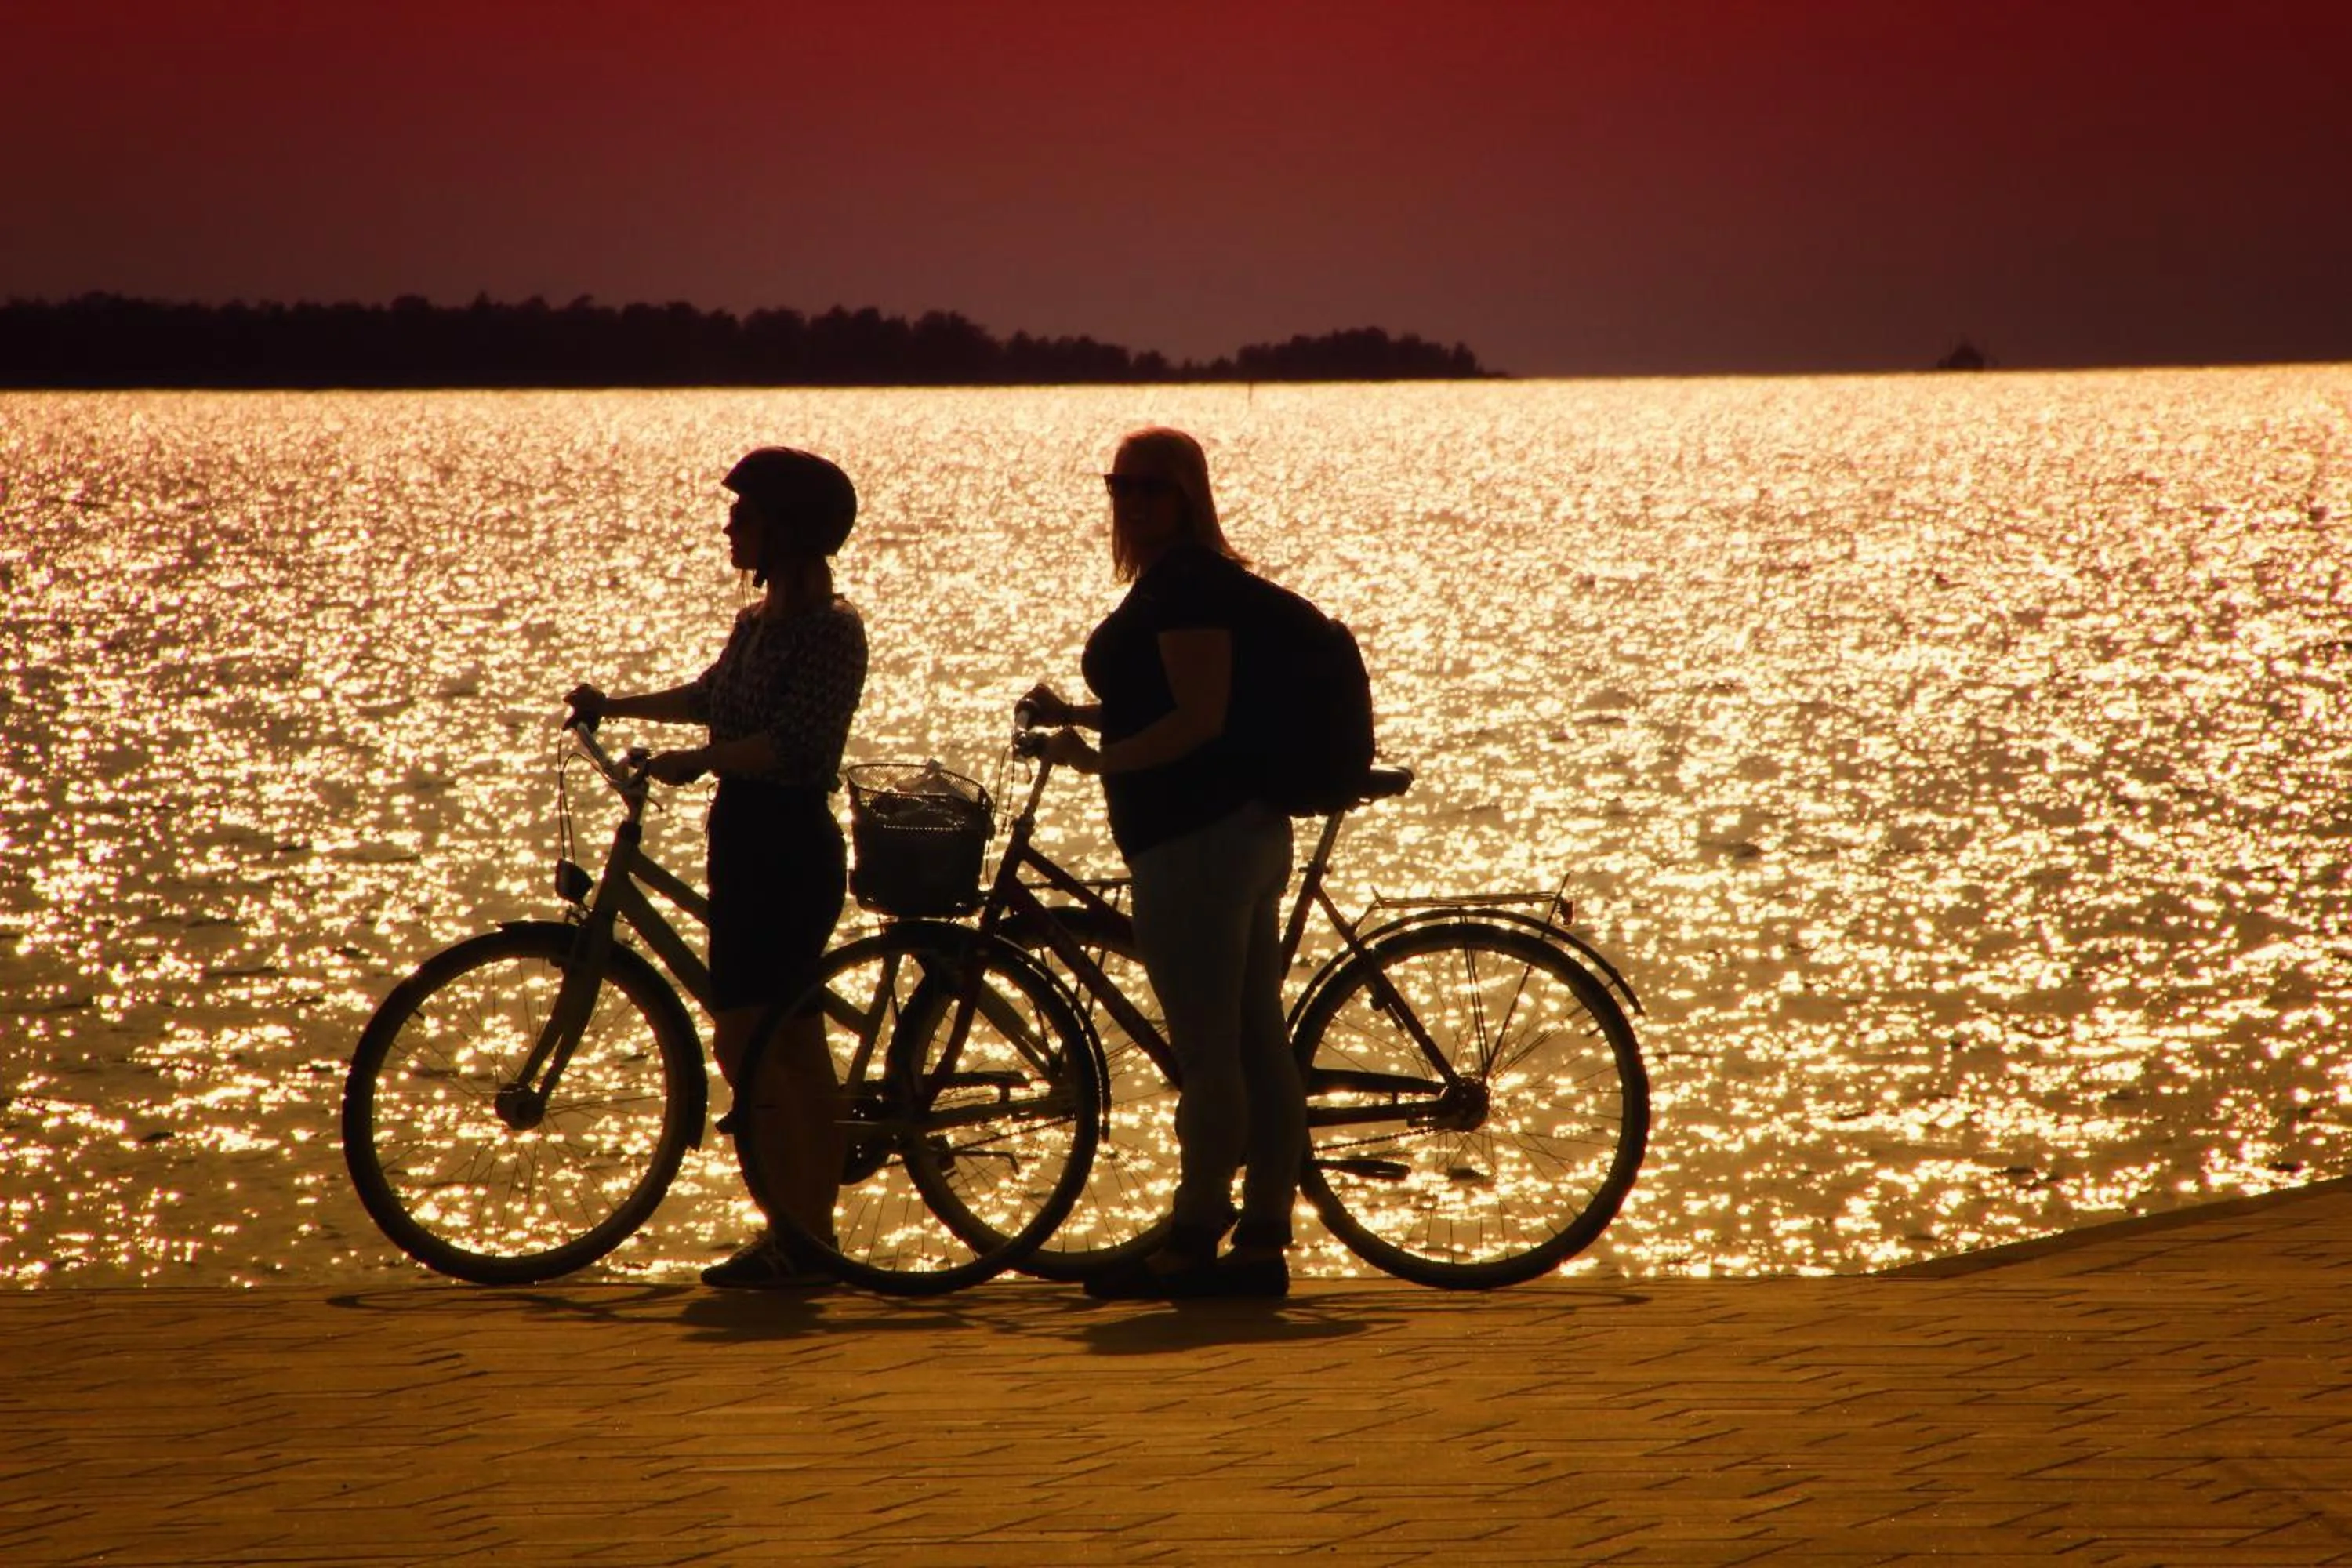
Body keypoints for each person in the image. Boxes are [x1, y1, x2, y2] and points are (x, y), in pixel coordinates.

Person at [565, 446, 866, 1290]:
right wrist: (616, 706)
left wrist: (704, 759)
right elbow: (708, 697)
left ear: (787, 529)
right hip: (741, 838)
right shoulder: (757, 621)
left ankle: (804, 1237)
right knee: (776, 1043)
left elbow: (798, 745)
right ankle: (804, 1236)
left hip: (789, 845)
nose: (730, 528)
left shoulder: (832, 628)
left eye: (745, 515)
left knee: (759, 1040)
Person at [1023, 426, 1301, 1300]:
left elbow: (1199, 719)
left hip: (1197, 843)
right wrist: (1081, 716)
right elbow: (1168, 701)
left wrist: (1096, 760)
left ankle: (1192, 1240)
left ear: (1188, 495)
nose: (1134, 502)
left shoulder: (1185, 584)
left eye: (1154, 487)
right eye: (1121, 486)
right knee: (1256, 1043)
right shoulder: (1185, 580)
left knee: (1213, 1056)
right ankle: (1261, 1242)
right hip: (1238, 831)